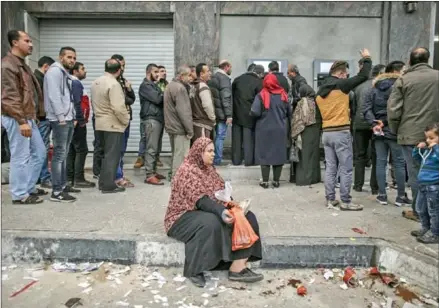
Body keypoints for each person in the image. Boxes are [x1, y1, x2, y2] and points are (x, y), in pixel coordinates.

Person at [164, 137, 263, 287]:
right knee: (212, 222)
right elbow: (200, 200)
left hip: (206, 210)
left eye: (214, 151)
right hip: (181, 216)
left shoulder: (208, 169)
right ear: (199, 152)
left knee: (247, 217)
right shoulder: (187, 170)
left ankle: (238, 267)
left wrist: (233, 206)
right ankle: (194, 269)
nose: (213, 154)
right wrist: (221, 211)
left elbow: (220, 191)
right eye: (209, 151)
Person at [316, 49, 372, 211]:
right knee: (346, 168)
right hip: (341, 132)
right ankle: (346, 201)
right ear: (340, 73)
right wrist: (367, 58)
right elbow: (363, 76)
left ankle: (330, 199)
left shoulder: (320, 91)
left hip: (326, 133)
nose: (347, 76)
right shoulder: (341, 85)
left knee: (331, 168)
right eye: (346, 73)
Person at [388, 47, 439, 222]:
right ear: (428, 59)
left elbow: (393, 110)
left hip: (409, 134)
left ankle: (419, 211)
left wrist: (395, 130)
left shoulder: (403, 80)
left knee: (416, 175)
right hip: (436, 133)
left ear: (410, 61)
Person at [1, 30, 46, 204]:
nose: (31, 44)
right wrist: (21, 121)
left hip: (27, 117)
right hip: (17, 118)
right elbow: (8, 97)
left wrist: (32, 116)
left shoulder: (21, 64)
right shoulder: (7, 66)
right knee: (20, 156)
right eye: (27, 41)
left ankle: (28, 187)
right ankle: (19, 195)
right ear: (15, 43)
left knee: (40, 153)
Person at [363, 61, 411, 207]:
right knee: (399, 163)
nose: (405, 72)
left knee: (380, 163)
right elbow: (398, 109)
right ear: (397, 71)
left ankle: (382, 195)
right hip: (395, 130)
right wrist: (385, 121)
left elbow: (366, 109)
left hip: (378, 132)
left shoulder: (373, 88)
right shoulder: (400, 87)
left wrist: (374, 123)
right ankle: (400, 196)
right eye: (403, 70)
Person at [44, 46, 80, 202]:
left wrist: (72, 116)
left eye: (74, 58)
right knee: (59, 156)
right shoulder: (54, 72)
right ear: (61, 57)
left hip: (67, 118)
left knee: (63, 155)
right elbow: (54, 96)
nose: (72, 60)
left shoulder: (64, 74)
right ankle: (57, 192)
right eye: (69, 57)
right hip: (60, 120)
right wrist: (61, 117)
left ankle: (63, 186)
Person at [91, 59, 130, 193]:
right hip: (112, 124)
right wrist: (126, 120)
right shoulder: (114, 84)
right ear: (119, 70)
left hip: (99, 123)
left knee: (103, 154)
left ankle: (102, 182)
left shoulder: (96, 82)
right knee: (112, 156)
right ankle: (108, 185)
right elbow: (118, 107)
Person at [251, 73, 292, 189]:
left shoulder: (261, 95)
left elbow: (255, 111)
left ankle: (265, 181)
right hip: (280, 129)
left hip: (264, 129)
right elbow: (289, 112)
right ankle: (276, 181)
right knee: (278, 154)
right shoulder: (283, 95)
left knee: (264, 155)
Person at [352, 63, 385, 194]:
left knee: (359, 155)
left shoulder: (358, 86)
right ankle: (374, 187)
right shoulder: (381, 86)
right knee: (376, 155)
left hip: (359, 124)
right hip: (375, 124)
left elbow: (353, 107)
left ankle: (358, 185)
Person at [66, 62, 95, 188]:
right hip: (77, 121)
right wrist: (79, 119)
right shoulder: (76, 83)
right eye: (82, 69)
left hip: (72, 120)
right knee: (81, 150)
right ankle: (78, 179)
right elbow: (77, 102)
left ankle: (69, 178)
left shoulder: (69, 81)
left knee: (72, 150)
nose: (85, 71)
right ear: (75, 71)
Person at [410, 123, 439, 244]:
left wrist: (436, 147)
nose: (428, 141)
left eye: (431, 138)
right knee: (421, 209)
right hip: (422, 185)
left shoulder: (435, 151)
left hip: (434, 186)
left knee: (434, 211)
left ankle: (435, 233)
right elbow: (417, 159)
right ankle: (425, 228)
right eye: (427, 138)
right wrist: (417, 149)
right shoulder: (428, 151)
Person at [163, 65, 193, 180]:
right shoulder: (180, 88)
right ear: (181, 76)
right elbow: (184, 111)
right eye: (188, 75)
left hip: (171, 126)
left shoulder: (170, 86)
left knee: (175, 153)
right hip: (179, 127)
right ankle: (177, 179)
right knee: (180, 155)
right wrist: (189, 130)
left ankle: (173, 176)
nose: (190, 78)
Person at [231, 64, 264, 166]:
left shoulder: (237, 79)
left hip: (236, 113)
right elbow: (260, 100)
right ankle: (248, 161)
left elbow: (231, 95)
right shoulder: (258, 82)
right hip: (250, 115)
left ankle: (236, 161)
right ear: (258, 73)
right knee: (248, 140)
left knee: (236, 140)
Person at [139, 63, 166, 185]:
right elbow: (158, 99)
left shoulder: (154, 85)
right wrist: (162, 93)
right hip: (151, 120)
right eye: (155, 72)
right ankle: (149, 175)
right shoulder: (145, 86)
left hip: (158, 119)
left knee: (156, 148)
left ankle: (153, 171)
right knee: (151, 148)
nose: (158, 74)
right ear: (149, 72)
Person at [290, 84, 322, 186]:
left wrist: (294, 134)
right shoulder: (317, 102)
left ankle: (303, 179)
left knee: (304, 156)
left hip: (305, 132)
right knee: (314, 154)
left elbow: (297, 120)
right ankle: (314, 178)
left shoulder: (302, 102)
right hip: (316, 131)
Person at [34, 56, 55, 189]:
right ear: (46, 66)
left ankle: (39, 177)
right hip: (42, 118)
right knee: (43, 149)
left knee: (41, 149)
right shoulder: (39, 79)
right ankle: (44, 178)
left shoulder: (38, 78)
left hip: (42, 118)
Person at [210, 60, 233, 166]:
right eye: (230, 67)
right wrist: (229, 114)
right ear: (227, 67)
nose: (231, 70)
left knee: (216, 136)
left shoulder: (213, 77)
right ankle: (217, 160)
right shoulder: (224, 78)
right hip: (222, 113)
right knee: (221, 136)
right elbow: (226, 97)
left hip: (215, 112)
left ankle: (213, 159)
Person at [190, 63, 216, 143]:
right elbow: (207, 106)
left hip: (194, 124)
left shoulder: (193, 86)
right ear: (201, 74)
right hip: (203, 125)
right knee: (203, 152)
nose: (210, 73)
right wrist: (213, 119)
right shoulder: (203, 86)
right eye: (208, 71)